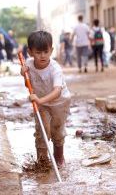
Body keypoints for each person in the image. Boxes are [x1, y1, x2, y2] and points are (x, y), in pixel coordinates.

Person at [20, 31, 71, 167]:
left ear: (51, 50)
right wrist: (23, 74)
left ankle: (59, 158)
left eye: (46, 51)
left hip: (59, 102)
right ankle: (42, 161)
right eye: (38, 52)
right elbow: (28, 81)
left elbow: (57, 91)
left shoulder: (55, 69)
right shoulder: (29, 65)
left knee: (57, 129)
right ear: (30, 52)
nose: (42, 56)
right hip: (40, 102)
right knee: (42, 130)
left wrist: (40, 100)